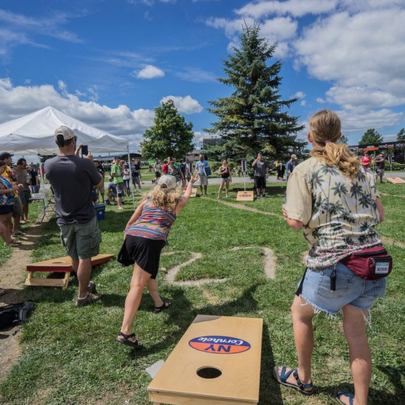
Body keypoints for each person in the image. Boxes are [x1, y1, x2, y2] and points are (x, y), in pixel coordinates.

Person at [274, 110, 386, 405]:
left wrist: (288, 214)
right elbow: (380, 214)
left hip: (335, 263)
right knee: (357, 334)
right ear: (339, 135)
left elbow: (297, 221)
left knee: (299, 313)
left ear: (310, 137)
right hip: (372, 262)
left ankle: (304, 378)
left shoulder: (305, 169)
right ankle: (360, 401)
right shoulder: (362, 169)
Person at [116, 173, 199, 348]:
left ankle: (159, 303)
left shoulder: (147, 201)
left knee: (149, 274)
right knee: (137, 284)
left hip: (133, 237)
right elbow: (187, 194)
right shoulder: (177, 203)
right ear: (173, 188)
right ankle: (125, 331)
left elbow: (130, 223)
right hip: (150, 241)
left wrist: (129, 241)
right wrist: (191, 182)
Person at [44, 126, 104, 308]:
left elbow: (65, 171)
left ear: (56, 142)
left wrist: (77, 159)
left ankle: (84, 286)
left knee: (74, 256)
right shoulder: (85, 164)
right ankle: (82, 295)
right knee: (85, 257)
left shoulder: (48, 164)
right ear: (73, 141)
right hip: (84, 217)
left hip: (63, 218)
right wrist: (88, 162)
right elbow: (100, 184)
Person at [0, 152, 23, 237]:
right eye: (10, 158)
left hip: (11, 196)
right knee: (6, 219)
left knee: (13, 215)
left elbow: (9, 181)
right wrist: (11, 189)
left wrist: (16, 185)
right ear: (5, 159)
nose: (11, 159)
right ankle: (8, 236)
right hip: (5, 199)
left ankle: (13, 232)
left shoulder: (7, 168)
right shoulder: (3, 171)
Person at [15, 158, 31, 223]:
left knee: (26, 204)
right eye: (24, 165)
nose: (25, 166)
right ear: (19, 164)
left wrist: (29, 181)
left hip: (26, 189)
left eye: (25, 165)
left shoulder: (25, 171)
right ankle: (21, 218)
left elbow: (28, 180)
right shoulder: (14, 171)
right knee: (22, 204)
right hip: (19, 190)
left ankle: (26, 218)